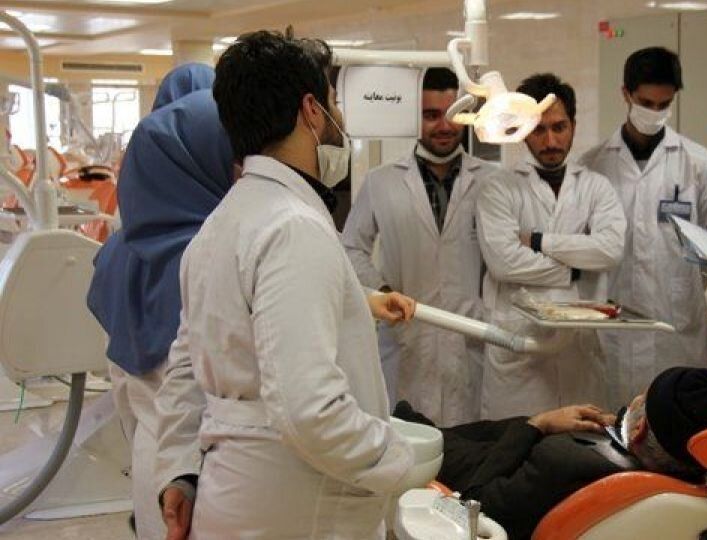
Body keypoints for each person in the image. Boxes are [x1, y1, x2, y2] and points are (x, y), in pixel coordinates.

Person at [152, 32, 418, 539]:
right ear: (312, 111)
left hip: (233, 492)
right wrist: (397, 459)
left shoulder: (223, 222)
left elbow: (187, 366)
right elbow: (308, 409)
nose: (339, 118)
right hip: (299, 501)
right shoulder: (293, 227)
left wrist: (180, 470)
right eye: (335, 102)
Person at [85, 63, 224, 540]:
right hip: (205, 473)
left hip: (153, 458)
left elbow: (121, 387)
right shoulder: (212, 257)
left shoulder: (118, 251)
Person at [395, 366, 707, 540]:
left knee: (420, 435)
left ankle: (405, 422)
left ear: (640, 428)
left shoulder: (564, 463)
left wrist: (537, 425)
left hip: (472, 477)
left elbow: (474, 506)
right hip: (520, 478)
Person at [342, 67, 498, 426]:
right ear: (415, 117)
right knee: (408, 439)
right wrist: (382, 292)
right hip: (407, 338)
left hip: (471, 337)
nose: (444, 126)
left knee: (471, 443)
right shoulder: (381, 182)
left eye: (452, 115)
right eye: (431, 115)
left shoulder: (493, 181)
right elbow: (351, 248)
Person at [581, 47, 707, 408]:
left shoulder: (697, 162)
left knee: (676, 422)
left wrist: (680, 290)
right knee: (612, 424)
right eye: (646, 103)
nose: (655, 113)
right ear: (626, 94)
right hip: (613, 329)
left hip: (677, 330)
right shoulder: (593, 165)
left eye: (664, 104)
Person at [476, 73, 625, 419]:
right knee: (517, 442)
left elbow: (610, 249)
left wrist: (539, 241)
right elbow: (504, 262)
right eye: (539, 130)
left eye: (559, 127)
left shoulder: (596, 187)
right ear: (524, 130)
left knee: (581, 444)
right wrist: (575, 270)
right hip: (519, 352)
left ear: (573, 125)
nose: (551, 140)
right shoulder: (498, 188)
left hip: (579, 352)